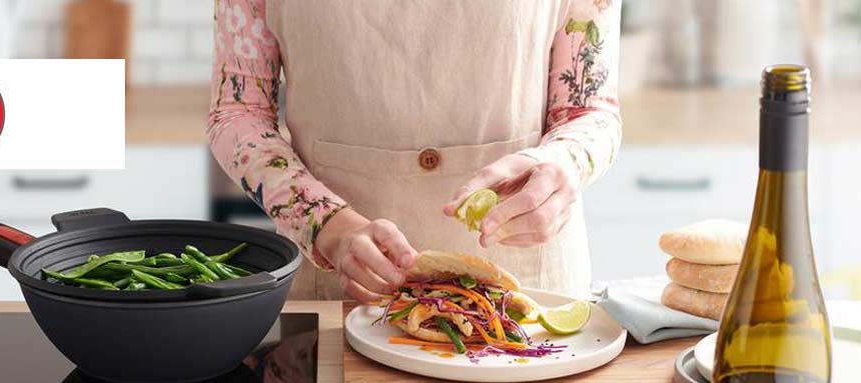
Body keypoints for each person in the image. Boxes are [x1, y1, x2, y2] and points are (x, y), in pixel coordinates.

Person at [208, 1, 621, 302]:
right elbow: (237, 111)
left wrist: (561, 164)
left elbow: (589, 110)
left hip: (531, 292)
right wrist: (326, 225)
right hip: (342, 292)